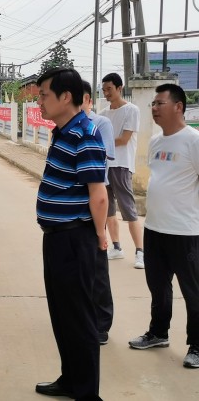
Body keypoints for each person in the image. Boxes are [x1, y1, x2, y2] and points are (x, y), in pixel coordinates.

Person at [35, 68, 107, 400]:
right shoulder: (63, 131)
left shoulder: (85, 134)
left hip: (75, 238)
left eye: (44, 95)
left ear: (66, 97)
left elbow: (99, 193)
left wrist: (100, 236)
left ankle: (88, 393)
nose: (40, 101)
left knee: (79, 318)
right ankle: (70, 379)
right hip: (57, 237)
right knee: (62, 315)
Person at [128, 83, 199, 369]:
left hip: (186, 232)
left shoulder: (193, 140)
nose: (154, 108)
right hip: (155, 228)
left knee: (193, 291)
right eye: (153, 104)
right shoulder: (157, 142)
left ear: (178, 107)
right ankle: (158, 332)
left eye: (159, 103)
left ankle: (196, 345)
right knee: (158, 286)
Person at [99, 73, 144, 269]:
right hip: (105, 166)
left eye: (109, 89)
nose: (106, 93)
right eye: (104, 90)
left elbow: (124, 139)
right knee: (108, 209)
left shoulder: (131, 110)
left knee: (129, 209)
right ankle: (116, 247)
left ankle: (140, 251)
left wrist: (103, 143)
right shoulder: (103, 114)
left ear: (119, 88)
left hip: (122, 165)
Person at [82, 80, 115, 345]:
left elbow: (101, 167)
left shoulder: (98, 125)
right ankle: (84, 318)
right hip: (74, 210)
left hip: (92, 201)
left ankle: (102, 324)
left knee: (97, 268)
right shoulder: (63, 129)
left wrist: (100, 227)